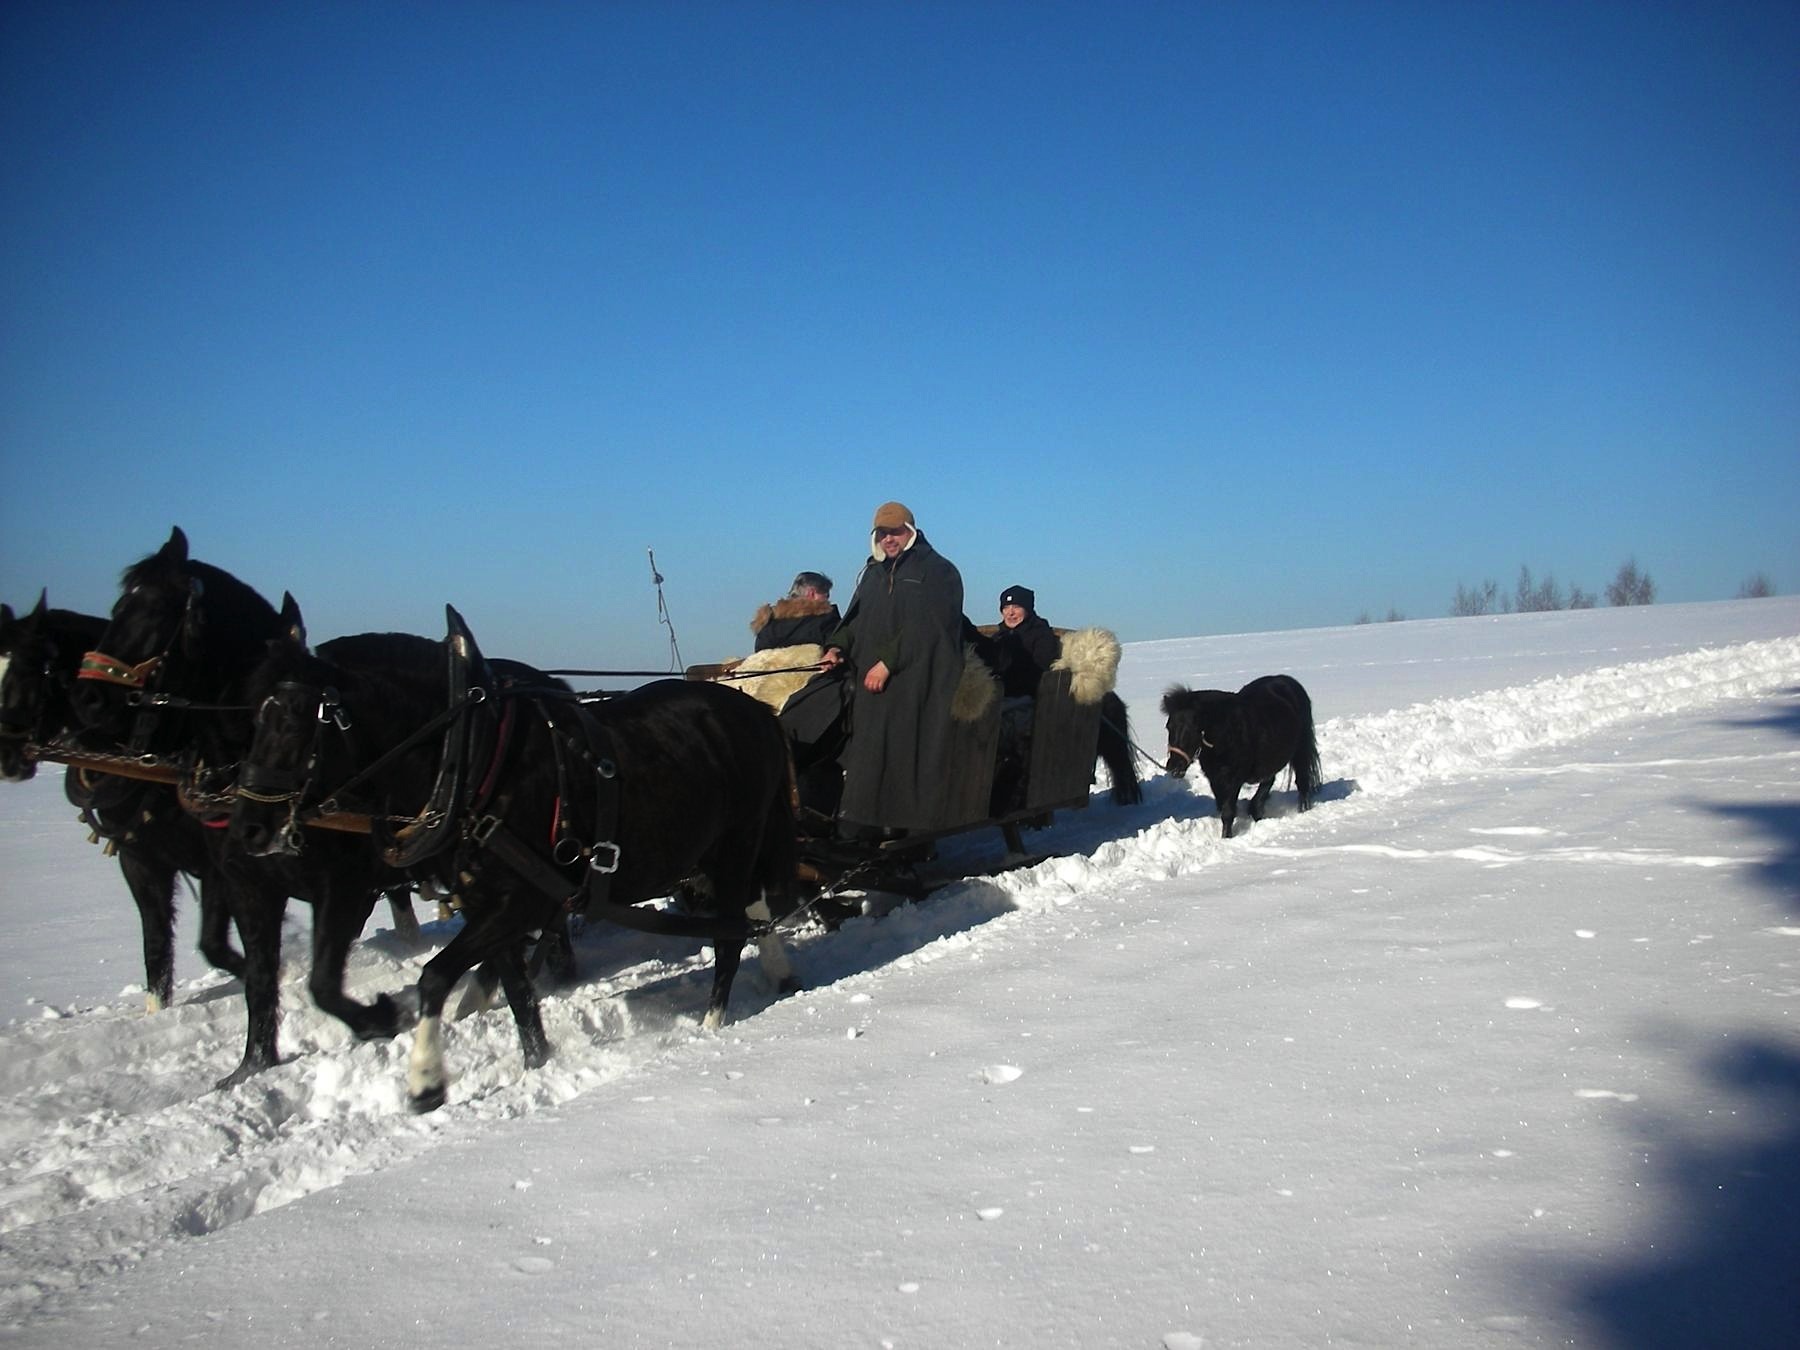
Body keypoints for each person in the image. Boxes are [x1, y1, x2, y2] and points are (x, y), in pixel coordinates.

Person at [818, 501, 964, 833]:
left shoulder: (938, 571)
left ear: (910, 532)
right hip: (871, 678)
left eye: (895, 532)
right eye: (882, 534)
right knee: (860, 744)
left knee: (901, 751)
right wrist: (837, 646)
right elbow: (855, 619)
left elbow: (930, 626)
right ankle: (860, 823)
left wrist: (888, 662)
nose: (889, 539)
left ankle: (906, 830)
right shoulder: (874, 573)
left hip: (915, 679)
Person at [984, 584, 1061, 698]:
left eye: (1016, 607)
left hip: (1026, 698)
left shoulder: (1042, 635)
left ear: (1027, 609)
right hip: (994, 694)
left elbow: (1041, 669)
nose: (1010, 613)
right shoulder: (998, 637)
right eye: (1005, 608)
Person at [750, 571, 840, 651]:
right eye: (826, 595)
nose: (828, 600)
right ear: (812, 593)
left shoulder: (768, 624)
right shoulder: (826, 621)